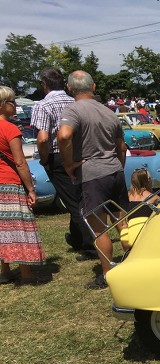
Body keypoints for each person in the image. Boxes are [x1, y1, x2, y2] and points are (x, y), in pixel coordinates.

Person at [57, 70, 130, 289]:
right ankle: (134, 264)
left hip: (91, 175)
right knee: (123, 224)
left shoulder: (72, 110)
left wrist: (69, 164)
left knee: (99, 229)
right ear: (94, 87)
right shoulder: (109, 112)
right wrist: (118, 166)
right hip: (115, 171)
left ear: (69, 89)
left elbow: (63, 135)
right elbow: (122, 147)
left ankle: (107, 274)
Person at [30, 67, 95, 260]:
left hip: (57, 156)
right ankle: (76, 238)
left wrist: (44, 160)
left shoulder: (42, 105)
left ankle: (90, 246)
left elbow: (42, 138)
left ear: (44, 85)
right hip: (78, 154)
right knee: (76, 196)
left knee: (74, 203)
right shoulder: (73, 101)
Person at [0, 86, 47, 285]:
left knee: (2, 229)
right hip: (10, 182)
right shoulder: (10, 129)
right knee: (18, 227)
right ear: (3, 105)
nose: (15, 105)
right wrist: (30, 188)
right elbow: (20, 162)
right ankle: (26, 272)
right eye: (12, 102)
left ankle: (4, 271)